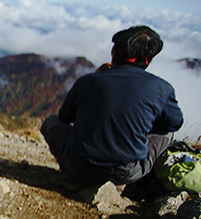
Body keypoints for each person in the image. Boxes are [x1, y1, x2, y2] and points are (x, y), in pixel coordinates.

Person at [41, 25, 184, 185]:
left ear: (114, 53)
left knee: (51, 121)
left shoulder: (87, 81)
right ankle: (145, 183)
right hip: (125, 172)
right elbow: (174, 123)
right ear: (146, 59)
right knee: (166, 134)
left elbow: (64, 117)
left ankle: (69, 175)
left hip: (78, 166)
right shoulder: (162, 88)